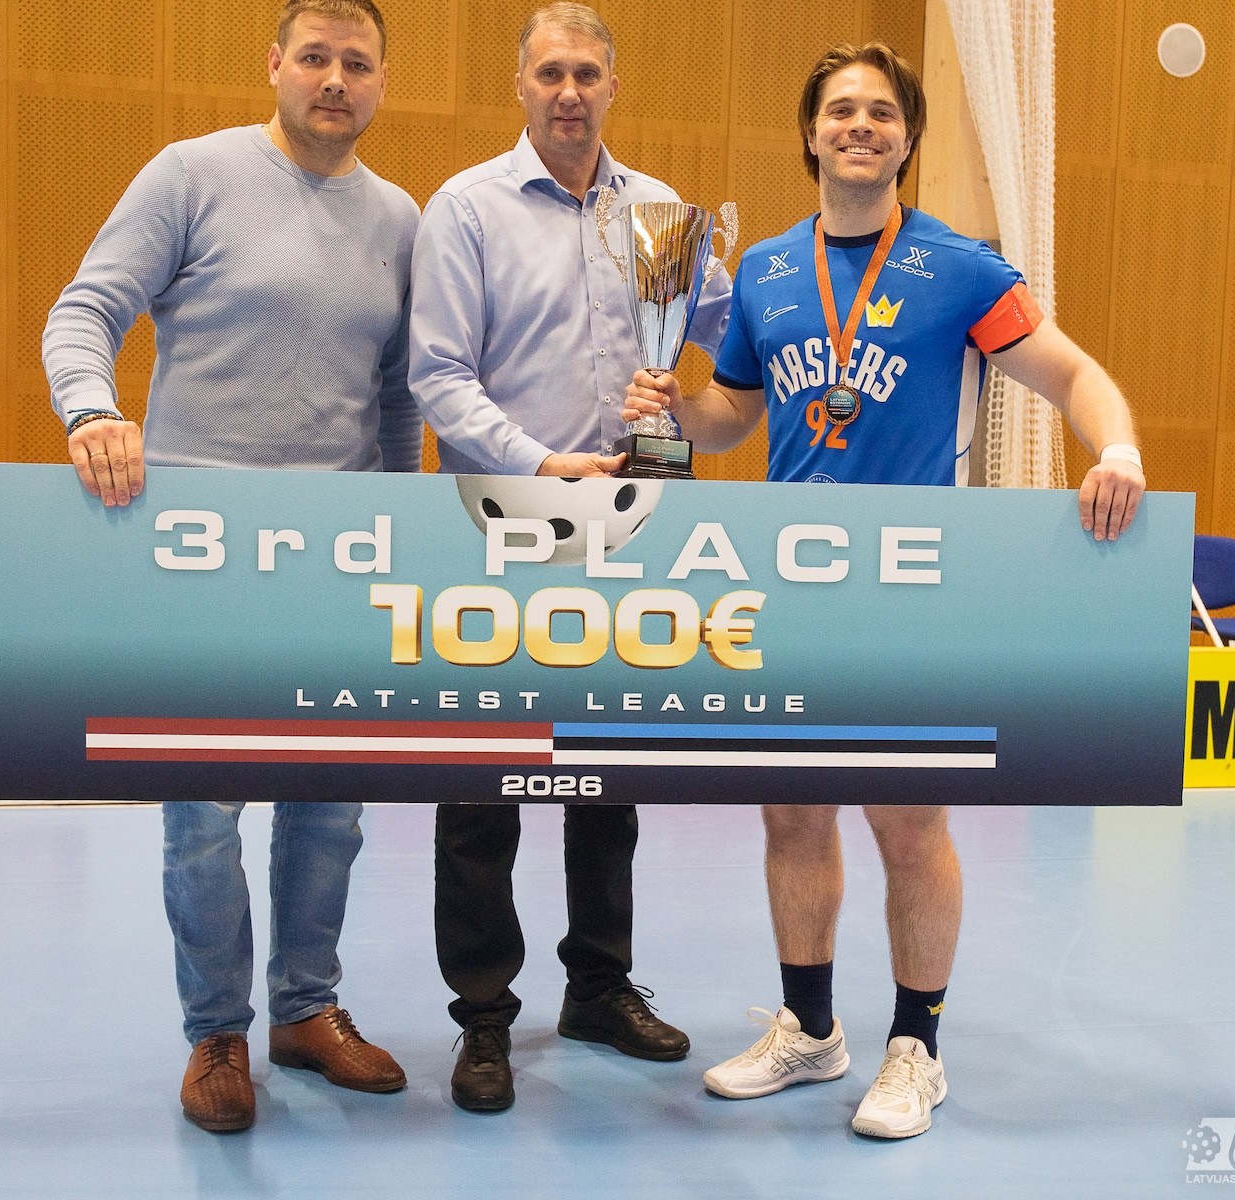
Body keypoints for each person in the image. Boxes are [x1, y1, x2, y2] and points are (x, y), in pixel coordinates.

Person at [624, 42, 1145, 1140]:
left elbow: (1074, 374)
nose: (859, 125)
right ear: (810, 134)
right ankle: (810, 1029)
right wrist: (672, 408)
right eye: (840, 110)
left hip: (912, 586)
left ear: (906, 138)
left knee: (908, 822)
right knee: (792, 811)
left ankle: (918, 1046)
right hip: (789, 584)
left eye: (880, 112)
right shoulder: (766, 270)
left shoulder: (963, 269)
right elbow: (733, 416)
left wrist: (1120, 452)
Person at [41, 0, 416, 1133]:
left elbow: (397, 397)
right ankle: (217, 1033)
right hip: (200, 558)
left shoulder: (400, 218)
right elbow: (86, 310)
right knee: (203, 812)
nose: (335, 79)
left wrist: (403, 525)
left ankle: (306, 1011)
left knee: (330, 810)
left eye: (357, 63)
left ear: (380, 82)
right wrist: (90, 411)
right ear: (276, 65)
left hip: (341, 559)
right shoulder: (189, 175)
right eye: (316, 57)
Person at [407, 1, 731, 1113]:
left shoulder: (664, 217)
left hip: (631, 521)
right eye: (550, 72)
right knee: (482, 785)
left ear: (613, 86)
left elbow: (727, 340)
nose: (569, 92)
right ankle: (483, 1018)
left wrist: (715, 385)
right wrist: (542, 463)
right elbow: (439, 374)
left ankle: (598, 985)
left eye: (587, 72)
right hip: (499, 518)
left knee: (610, 774)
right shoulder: (466, 209)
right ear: (522, 85)